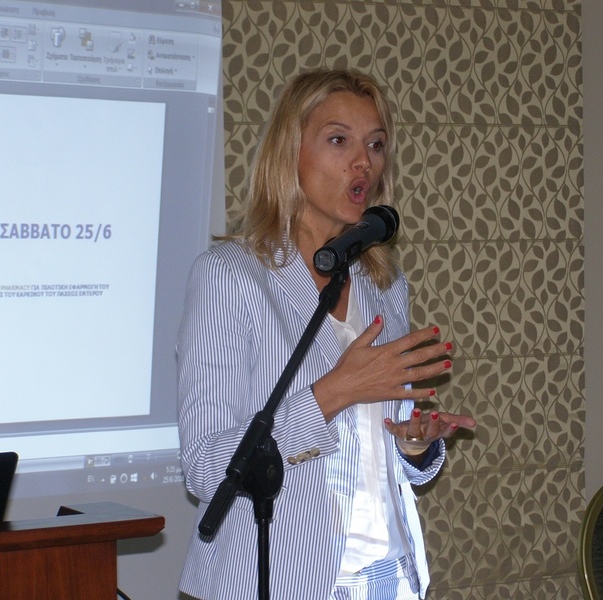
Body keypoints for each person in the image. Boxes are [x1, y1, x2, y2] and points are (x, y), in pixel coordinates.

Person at [177, 68, 477, 600]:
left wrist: (413, 444)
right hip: (280, 579)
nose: (363, 162)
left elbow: (378, 458)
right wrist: (335, 392)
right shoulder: (230, 276)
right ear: (289, 152)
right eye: (339, 140)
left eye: (376, 145)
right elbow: (205, 467)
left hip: (389, 575)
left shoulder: (384, 286)